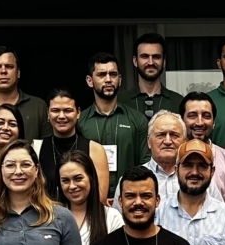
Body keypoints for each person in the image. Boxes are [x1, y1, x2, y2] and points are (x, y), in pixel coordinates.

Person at [79, 50, 146, 194]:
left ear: (120, 79)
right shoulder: (79, 122)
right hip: (90, 199)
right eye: (102, 75)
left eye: (113, 74)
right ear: (89, 81)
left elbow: (145, 165)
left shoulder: (138, 120)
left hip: (129, 198)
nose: (108, 79)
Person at [146, 110, 225, 209]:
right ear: (149, 142)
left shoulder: (200, 178)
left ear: (185, 141)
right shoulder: (138, 178)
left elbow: (219, 215)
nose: (167, 141)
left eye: (174, 135)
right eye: (161, 135)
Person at [180, 92, 225, 210]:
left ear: (214, 122)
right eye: (192, 115)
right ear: (182, 120)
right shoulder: (173, 157)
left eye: (206, 116)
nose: (200, 122)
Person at [38, 87, 109, 200]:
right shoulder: (37, 148)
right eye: (55, 110)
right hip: (47, 216)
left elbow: (100, 197)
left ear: (78, 113)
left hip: (86, 216)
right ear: (48, 113)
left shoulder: (95, 150)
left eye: (67, 110)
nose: (61, 116)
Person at [57, 149, 122, 245]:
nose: (72, 186)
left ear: (91, 178)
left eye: (78, 178)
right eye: (65, 180)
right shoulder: (51, 218)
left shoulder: (111, 217)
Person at [130, 32, 177, 118]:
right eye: (144, 56)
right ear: (135, 61)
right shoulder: (120, 102)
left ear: (164, 62)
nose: (150, 62)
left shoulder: (178, 102)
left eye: (156, 57)